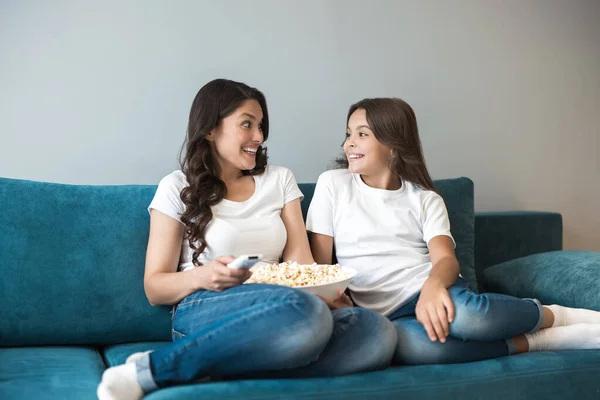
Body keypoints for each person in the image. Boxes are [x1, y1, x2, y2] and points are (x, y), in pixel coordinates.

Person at [97, 80, 397, 400]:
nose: (259, 136)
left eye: (261, 125)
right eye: (247, 124)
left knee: (375, 332)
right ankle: (154, 371)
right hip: (208, 305)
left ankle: (202, 367)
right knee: (307, 314)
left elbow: (302, 264)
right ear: (210, 130)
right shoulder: (176, 187)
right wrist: (206, 275)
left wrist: (327, 293)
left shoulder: (279, 180)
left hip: (288, 306)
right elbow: (154, 288)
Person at [307, 97, 600, 365]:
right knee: (415, 348)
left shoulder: (424, 198)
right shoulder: (333, 184)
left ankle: (559, 315)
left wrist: (433, 288)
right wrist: (335, 299)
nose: (349, 144)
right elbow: (321, 265)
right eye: (348, 134)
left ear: (393, 144)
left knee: (472, 318)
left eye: (362, 134)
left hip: (432, 287)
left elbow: (446, 259)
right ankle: (539, 341)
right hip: (385, 314)